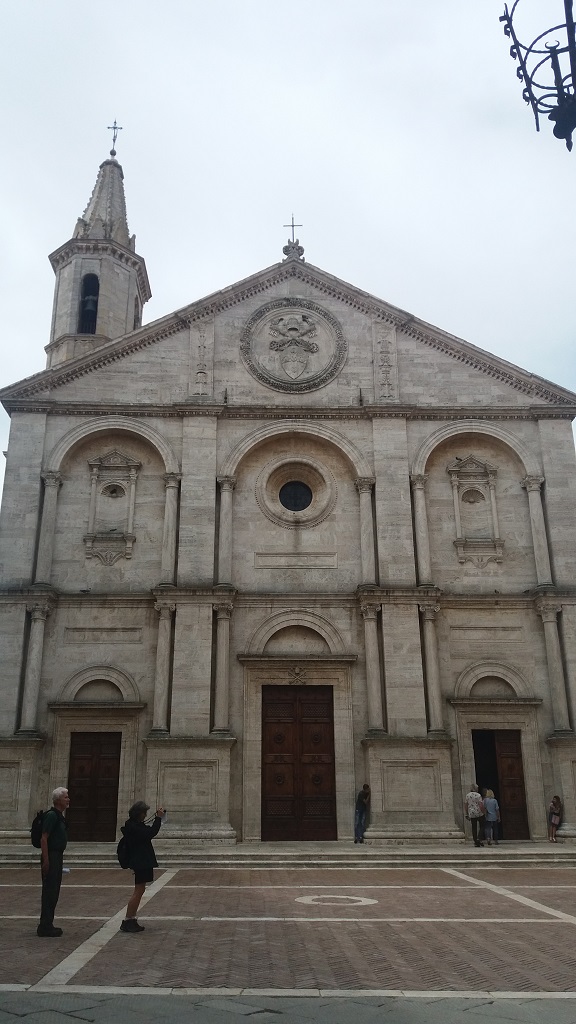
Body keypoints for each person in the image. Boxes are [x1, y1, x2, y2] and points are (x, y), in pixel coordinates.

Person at [119, 800, 165, 932]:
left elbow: (147, 831)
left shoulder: (134, 825)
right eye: (144, 813)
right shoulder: (134, 827)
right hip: (140, 861)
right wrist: (158, 819)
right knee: (138, 891)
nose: (145, 815)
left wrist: (157, 818)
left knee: (140, 890)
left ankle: (131, 919)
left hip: (141, 861)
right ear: (139, 813)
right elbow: (150, 833)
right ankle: (128, 920)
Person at [38, 787, 70, 937]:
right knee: (50, 891)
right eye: (65, 797)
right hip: (51, 855)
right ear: (58, 800)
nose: (68, 799)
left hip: (56, 856)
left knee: (54, 891)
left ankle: (47, 923)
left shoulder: (58, 815)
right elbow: (44, 838)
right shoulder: (52, 816)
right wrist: (46, 860)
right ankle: (45, 926)